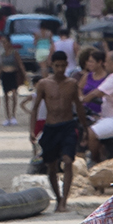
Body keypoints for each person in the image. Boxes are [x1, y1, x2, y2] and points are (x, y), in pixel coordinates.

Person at [30, 52, 84, 212]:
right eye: (57, 66)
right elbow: (34, 109)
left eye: (63, 65)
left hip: (68, 126)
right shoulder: (44, 84)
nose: (60, 69)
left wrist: (85, 128)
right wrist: (32, 131)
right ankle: (58, 197)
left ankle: (64, 201)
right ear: (51, 66)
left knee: (68, 161)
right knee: (51, 166)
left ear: (67, 65)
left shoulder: (72, 84)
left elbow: (79, 107)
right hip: (51, 127)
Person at [0, 39, 27, 125]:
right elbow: (1, 66)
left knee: (14, 94)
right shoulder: (2, 54)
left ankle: (13, 115)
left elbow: (20, 64)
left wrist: (25, 75)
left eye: (6, 43)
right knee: (5, 96)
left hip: (13, 74)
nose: (4, 45)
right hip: (5, 75)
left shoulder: (14, 53)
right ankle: (8, 116)